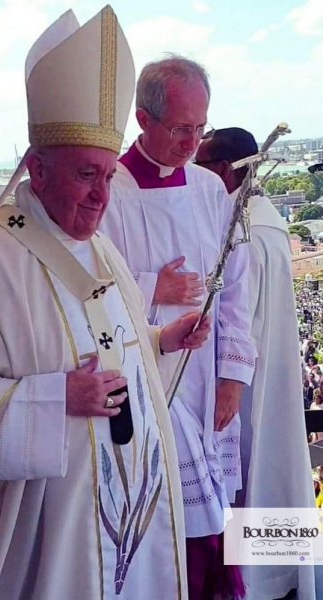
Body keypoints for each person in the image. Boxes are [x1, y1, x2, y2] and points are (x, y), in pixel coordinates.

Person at [0, 10, 212, 600]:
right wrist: (56, 399)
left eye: (109, 175)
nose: (102, 196)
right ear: (37, 167)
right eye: (86, 174)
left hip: (136, 504)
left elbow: (110, 348)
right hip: (51, 530)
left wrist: (161, 340)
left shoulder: (99, 246)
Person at [100, 55, 256, 600]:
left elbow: (235, 285)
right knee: (165, 526)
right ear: (144, 119)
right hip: (147, 383)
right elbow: (87, 285)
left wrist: (233, 375)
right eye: (181, 129)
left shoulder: (210, 191)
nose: (192, 142)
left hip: (206, 377)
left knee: (215, 523)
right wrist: (150, 289)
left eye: (200, 128)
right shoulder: (110, 189)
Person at [195, 127, 316, 600]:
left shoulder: (245, 229)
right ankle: (270, 576)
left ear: (224, 170)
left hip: (244, 383)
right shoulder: (261, 221)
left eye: (201, 164)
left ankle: (256, 582)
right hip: (264, 376)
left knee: (253, 470)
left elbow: (240, 319)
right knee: (272, 465)